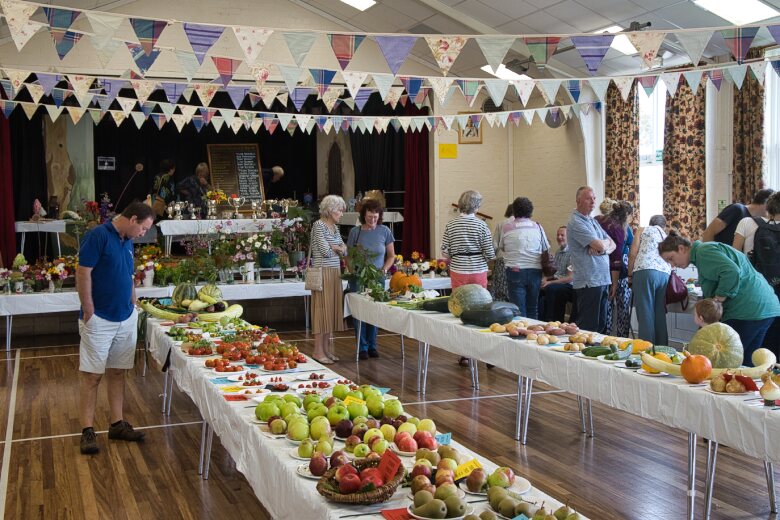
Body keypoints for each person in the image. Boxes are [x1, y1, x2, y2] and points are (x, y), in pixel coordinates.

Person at [76, 202, 155, 455]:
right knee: (92, 376)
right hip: (99, 318)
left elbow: (129, 275)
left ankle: (117, 424)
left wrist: (133, 304)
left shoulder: (127, 239)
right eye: (143, 228)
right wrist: (89, 310)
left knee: (118, 373)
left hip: (125, 317)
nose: (143, 233)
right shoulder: (98, 235)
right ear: (133, 219)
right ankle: (87, 431)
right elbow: (83, 272)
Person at [659, 231, 780, 365]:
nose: (672, 265)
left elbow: (731, 272)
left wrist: (716, 302)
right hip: (763, 307)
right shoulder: (704, 252)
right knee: (748, 364)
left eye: (671, 258)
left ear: (681, 248)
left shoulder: (703, 252)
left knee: (727, 362)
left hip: (748, 309)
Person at [346, 198, 395, 360]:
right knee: (359, 313)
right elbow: (348, 256)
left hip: (377, 278)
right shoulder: (355, 232)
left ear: (379, 216)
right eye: (369, 216)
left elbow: (391, 256)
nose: (372, 220)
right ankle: (362, 347)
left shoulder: (385, 231)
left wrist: (384, 270)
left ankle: (373, 345)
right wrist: (353, 271)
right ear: (363, 215)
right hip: (358, 278)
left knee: (374, 312)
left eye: (375, 217)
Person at [567, 187, 616, 334]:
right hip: (589, 281)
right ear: (578, 200)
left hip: (601, 279)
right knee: (588, 328)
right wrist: (601, 246)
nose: (593, 201)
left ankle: (596, 355)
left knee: (601, 326)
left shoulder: (592, 221)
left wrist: (602, 248)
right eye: (589, 198)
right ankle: (582, 356)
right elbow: (601, 244)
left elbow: (612, 243)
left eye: (594, 198)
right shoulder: (576, 222)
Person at [498, 197, 550, 319]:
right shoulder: (538, 227)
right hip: (535, 271)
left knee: (518, 310)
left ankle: (520, 335)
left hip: (515, 271)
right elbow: (545, 247)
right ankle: (533, 336)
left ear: (514, 210)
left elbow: (503, 247)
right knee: (533, 308)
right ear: (530, 211)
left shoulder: (507, 227)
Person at [310, 195, 348, 365]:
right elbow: (325, 251)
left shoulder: (335, 228)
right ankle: (318, 352)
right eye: (340, 210)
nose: (341, 214)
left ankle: (326, 350)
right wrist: (336, 248)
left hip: (334, 272)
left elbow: (345, 251)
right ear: (331, 210)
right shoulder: (319, 226)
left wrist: (337, 247)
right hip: (322, 272)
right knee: (321, 311)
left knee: (330, 312)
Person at [627, 215, 672, 345]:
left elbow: (633, 253)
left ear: (650, 223)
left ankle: (646, 349)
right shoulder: (666, 235)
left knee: (645, 311)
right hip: (664, 274)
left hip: (645, 270)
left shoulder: (642, 229)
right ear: (664, 225)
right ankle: (662, 349)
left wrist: (630, 275)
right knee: (659, 312)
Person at [441, 190, 495, 289]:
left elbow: (444, 252)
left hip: (458, 270)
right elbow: (490, 253)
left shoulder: (450, 225)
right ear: (476, 208)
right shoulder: (482, 225)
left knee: (459, 301)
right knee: (480, 301)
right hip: (478, 270)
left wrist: (456, 257)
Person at [599, 201, 634, 336]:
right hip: (620, 273)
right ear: (628, 215)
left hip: (604, 271)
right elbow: (620, 256)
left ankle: (605, 338)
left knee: (606, 309)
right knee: (623, 311)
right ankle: (622, 340)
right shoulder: (622, 228)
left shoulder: (602, 223)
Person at [701, 188, 774, 244]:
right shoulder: (737, 209)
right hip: (718, 258)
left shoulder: (757, 222)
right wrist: (709, 257)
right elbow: (708, 232)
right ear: (766, 203)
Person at [540, 226, 573, 322]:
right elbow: (556, 273)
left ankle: (554, 322)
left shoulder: (573, 253)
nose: (559, 237)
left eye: (562, 235)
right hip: (559, 281)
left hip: (569, 286)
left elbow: (570, 278)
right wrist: (546, 278)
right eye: (558, 235)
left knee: (552, 289)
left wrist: (550, 283)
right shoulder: (558, 251)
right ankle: (540, 320)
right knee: (538, 287)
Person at [490, 204, 513, 302]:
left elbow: (494, 244)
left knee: (500, 291)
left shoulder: (501, 223)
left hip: (502, 260)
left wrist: (491, 258)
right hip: (518, 262)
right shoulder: (525, 224)